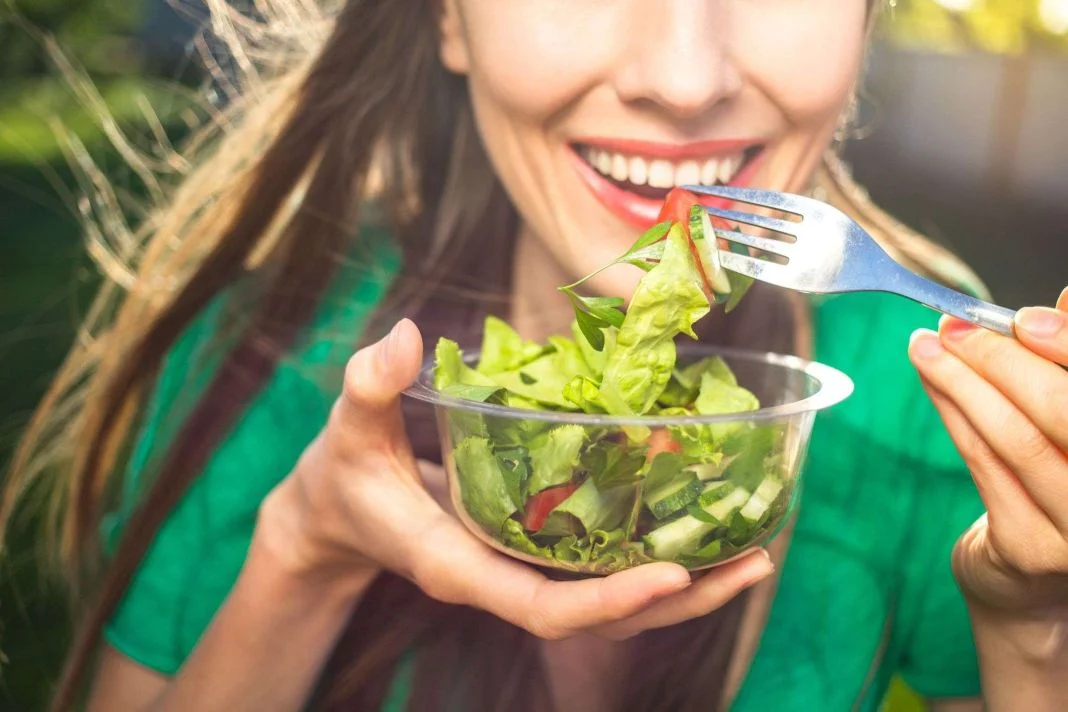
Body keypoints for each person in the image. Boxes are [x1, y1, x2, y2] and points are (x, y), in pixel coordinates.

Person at [5, 1, 1067, 710]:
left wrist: (1032, 624)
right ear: (448, 16)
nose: (685, 78)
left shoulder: (938, 398)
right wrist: (305, 550)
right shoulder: (274, 359)